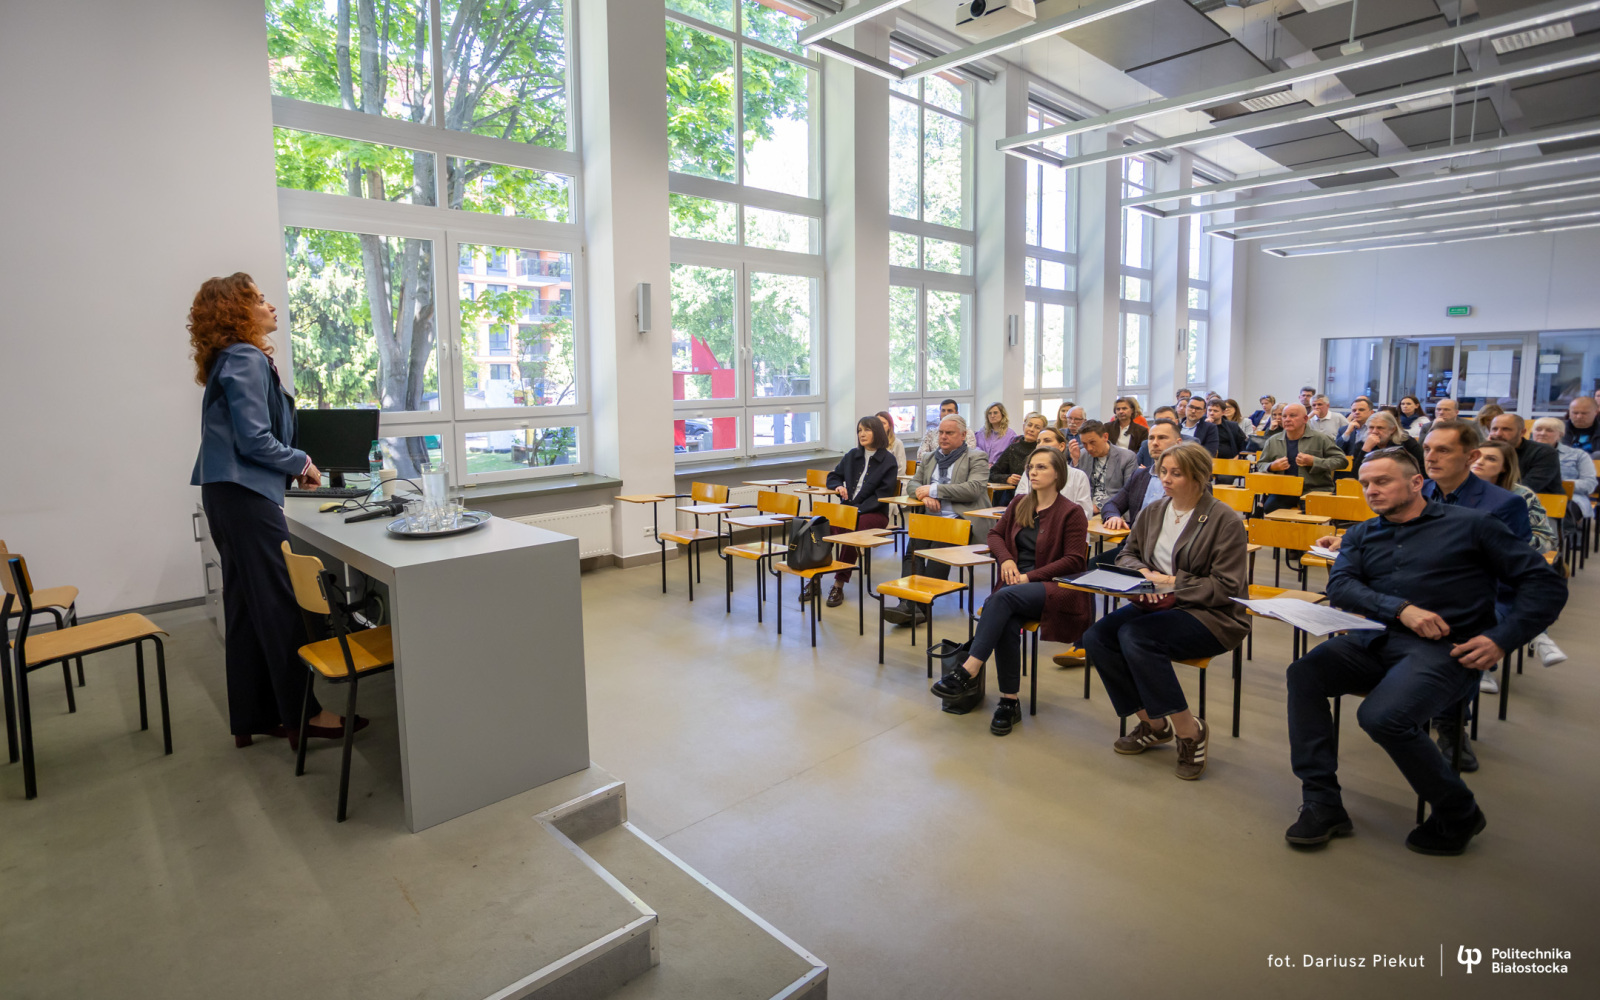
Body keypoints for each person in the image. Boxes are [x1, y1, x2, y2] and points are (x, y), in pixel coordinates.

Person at [1281, 449, 1565, 855]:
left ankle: (1459, 811)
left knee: (1381, 717)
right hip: (1374, 639)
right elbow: (1341, 586)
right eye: (1365, 484)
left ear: (1417, 483)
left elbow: (1545, 584)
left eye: (1382, 481)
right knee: (1304, 673)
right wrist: (1401, 609)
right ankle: (1322, 801)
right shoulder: (1362, 534)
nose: (1371, 491)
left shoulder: (1473, 526)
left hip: (1445, 649)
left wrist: (1501, 639)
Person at [188, 273, 359, 750]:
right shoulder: (245, 357)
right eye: (260, 300)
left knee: (246, 607)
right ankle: (305, 715)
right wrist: (302, 462)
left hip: (226, 494)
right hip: (245, 496)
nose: (271, 306)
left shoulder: (231, 358)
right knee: (281, 607)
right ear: (237, 311)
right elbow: (254, 439)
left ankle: (255, 714)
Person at [1081, 443, 1250, 781]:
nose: (1166, 479)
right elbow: (1126, 554)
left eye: (1176, 473)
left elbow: (1227, 586)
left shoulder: (1224, 520)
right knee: (1097, 637)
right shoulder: (1154, 510)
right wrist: (1143, 573)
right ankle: (1154, 724)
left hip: (1209, 614)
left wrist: (1173, 582)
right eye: (1163, 472)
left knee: (1136, 637)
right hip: (1156, 603)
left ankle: (1190, 731)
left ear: (1199, 477)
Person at [929, 447, 1092, 736]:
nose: (1033, 472)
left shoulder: (1071, 512)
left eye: (1041, 467)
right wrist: (1005, 559)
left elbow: (1074, 560)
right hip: (1015, 586)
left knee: (1000, 599)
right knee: (1005, 618)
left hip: (1052, 586)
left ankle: (968, 670)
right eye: (1031, 467)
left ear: (1058, 474)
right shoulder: (1020, 503)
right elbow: (994, 535)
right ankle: (1009, 701)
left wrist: (1029, 576)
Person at [885, 414, 990, 626]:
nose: (943, 437)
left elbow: (973, 489)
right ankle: (909, 604)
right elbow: (913, 484)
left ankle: (920, 606)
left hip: (959, 521)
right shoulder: (930, 457)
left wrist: (933, 490)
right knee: (911, 553)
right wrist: (924, 496)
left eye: (949, 433)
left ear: (963, 435)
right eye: (941, 432)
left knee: (937, 553)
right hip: (930, 519)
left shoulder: (976, 457)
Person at [818, 416, 900, 607]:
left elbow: (882, 495)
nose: (862, 434)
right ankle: (815, 578)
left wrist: (856, 510)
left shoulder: (888, 460)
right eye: (860, 430)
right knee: (821, 526)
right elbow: (833, 476)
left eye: (867, 430)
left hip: (874, 513)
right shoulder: (852, 455)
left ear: (877, 432)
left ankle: (838, 584)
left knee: (850, 529)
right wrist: (838, 486)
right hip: (849, 510)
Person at [1096, 418, 1184, 566]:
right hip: (1134, 549)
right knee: (1092, 566)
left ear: (1178, 443)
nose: (1155, 443)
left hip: (1168, 552)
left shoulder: (1188, 480)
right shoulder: (1139, 476)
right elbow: (1112, 504)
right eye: (1151, 438)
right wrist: (1113, 517)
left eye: (1162, 438)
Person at [1472, 440, 1558, 556]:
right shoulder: (1454, 489)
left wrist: (1507, 543)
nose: (1479, 462)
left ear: (1504, 467)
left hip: (1505, 556)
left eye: (1491, 459)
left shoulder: (1522, 495)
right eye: (1476, 456)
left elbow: (1546, 540)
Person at [1254, 403, 1344, 513]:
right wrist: (1272, 466)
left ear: (1305, 419)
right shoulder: (1273, 441)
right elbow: (1261, 464)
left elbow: (1341, 461)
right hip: (1284, 489)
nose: (1287, 419)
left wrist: (1314, 461)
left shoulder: (1321, 439)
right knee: (1269, 508)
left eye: (1292, 416)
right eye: (1284, 416)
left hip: (1314, 488)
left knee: (1311, 512)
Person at [1532, 416, 1595, 524]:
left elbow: (1590, 484)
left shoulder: (1578, 455)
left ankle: (1558, 534)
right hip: (1531, 496)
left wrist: (1559, 485)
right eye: (1538, 429)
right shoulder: (1521, 453)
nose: (1542, 433)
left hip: (1569, 498)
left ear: (1560, 434)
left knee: (1557, 514)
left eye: (1549, 430)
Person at [1020, 427, 1093, 517]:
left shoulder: (1078, 476)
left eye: (1047, 440)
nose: (1040, 445)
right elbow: (1019, 504)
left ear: (1061, 446)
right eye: (1038, 442)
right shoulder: (1029, 472)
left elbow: (1085, 512)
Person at [1488, 412, 1563, 495]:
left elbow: (1526, 488)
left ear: (1522, 432)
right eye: (1494, 429)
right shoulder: (1487, 452)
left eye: (1506, 429)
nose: (1498, 434)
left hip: (1540, 500)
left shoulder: (1544, 452)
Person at [1074, 420, 1137, 512]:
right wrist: (1075, 462)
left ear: (1105, 437)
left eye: (1092, 442)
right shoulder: (1081, 455)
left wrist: (1099, 506)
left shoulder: (1127, 457)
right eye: (1084, 444)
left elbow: (1128, 492)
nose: (1089, 448)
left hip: (1115, 509)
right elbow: (1074, 487)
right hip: (1086, 509)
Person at [1349, 410, 1424, 479]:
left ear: (1392, 429)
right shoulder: (1362, 444)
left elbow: (1421, 469)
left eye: (1380, 428)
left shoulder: (1407, 442)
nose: (1374, 431)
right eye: (1371, 427)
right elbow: (1356, 475)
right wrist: (1365, 450)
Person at [990, 413, 1047, 494]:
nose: (1031, 429)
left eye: (1037, 427)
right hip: (1012, 495)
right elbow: (993, 473)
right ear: (1024, 426)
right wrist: (1007, 478)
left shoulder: (1042, 451)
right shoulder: (1012, 448)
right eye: (1029, 425)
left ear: (1042, 432)